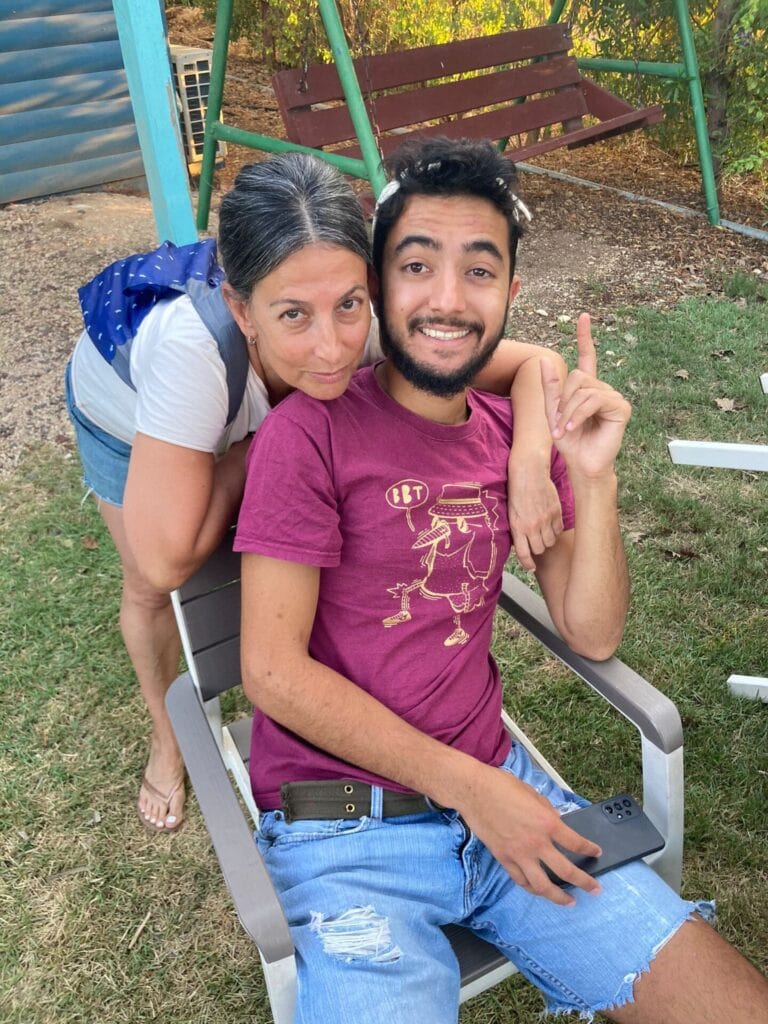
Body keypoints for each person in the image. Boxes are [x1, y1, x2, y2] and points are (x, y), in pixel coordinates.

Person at [234, 138, 768, 1023]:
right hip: (348, 832)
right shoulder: (310, 435)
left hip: (504, 793)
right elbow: (274, 674)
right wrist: (477, 792)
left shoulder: (508, 437)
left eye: (478, 272)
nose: (447, 298)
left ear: (512, 295)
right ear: (381, 285)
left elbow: (592, 632)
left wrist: (589, 477)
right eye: (417, 266)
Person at [65, 152, 568, 834]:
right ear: (243, 310)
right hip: (127, 406)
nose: (333, 349)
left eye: (350, 305)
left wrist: (530, 463)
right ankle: (167, 736)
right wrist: (266, 442)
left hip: (247, 403)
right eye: (294, 315)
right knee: (153, 584)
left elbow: (539, 364)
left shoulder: (358, 322)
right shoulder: (191, 350)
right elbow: (165, 558)